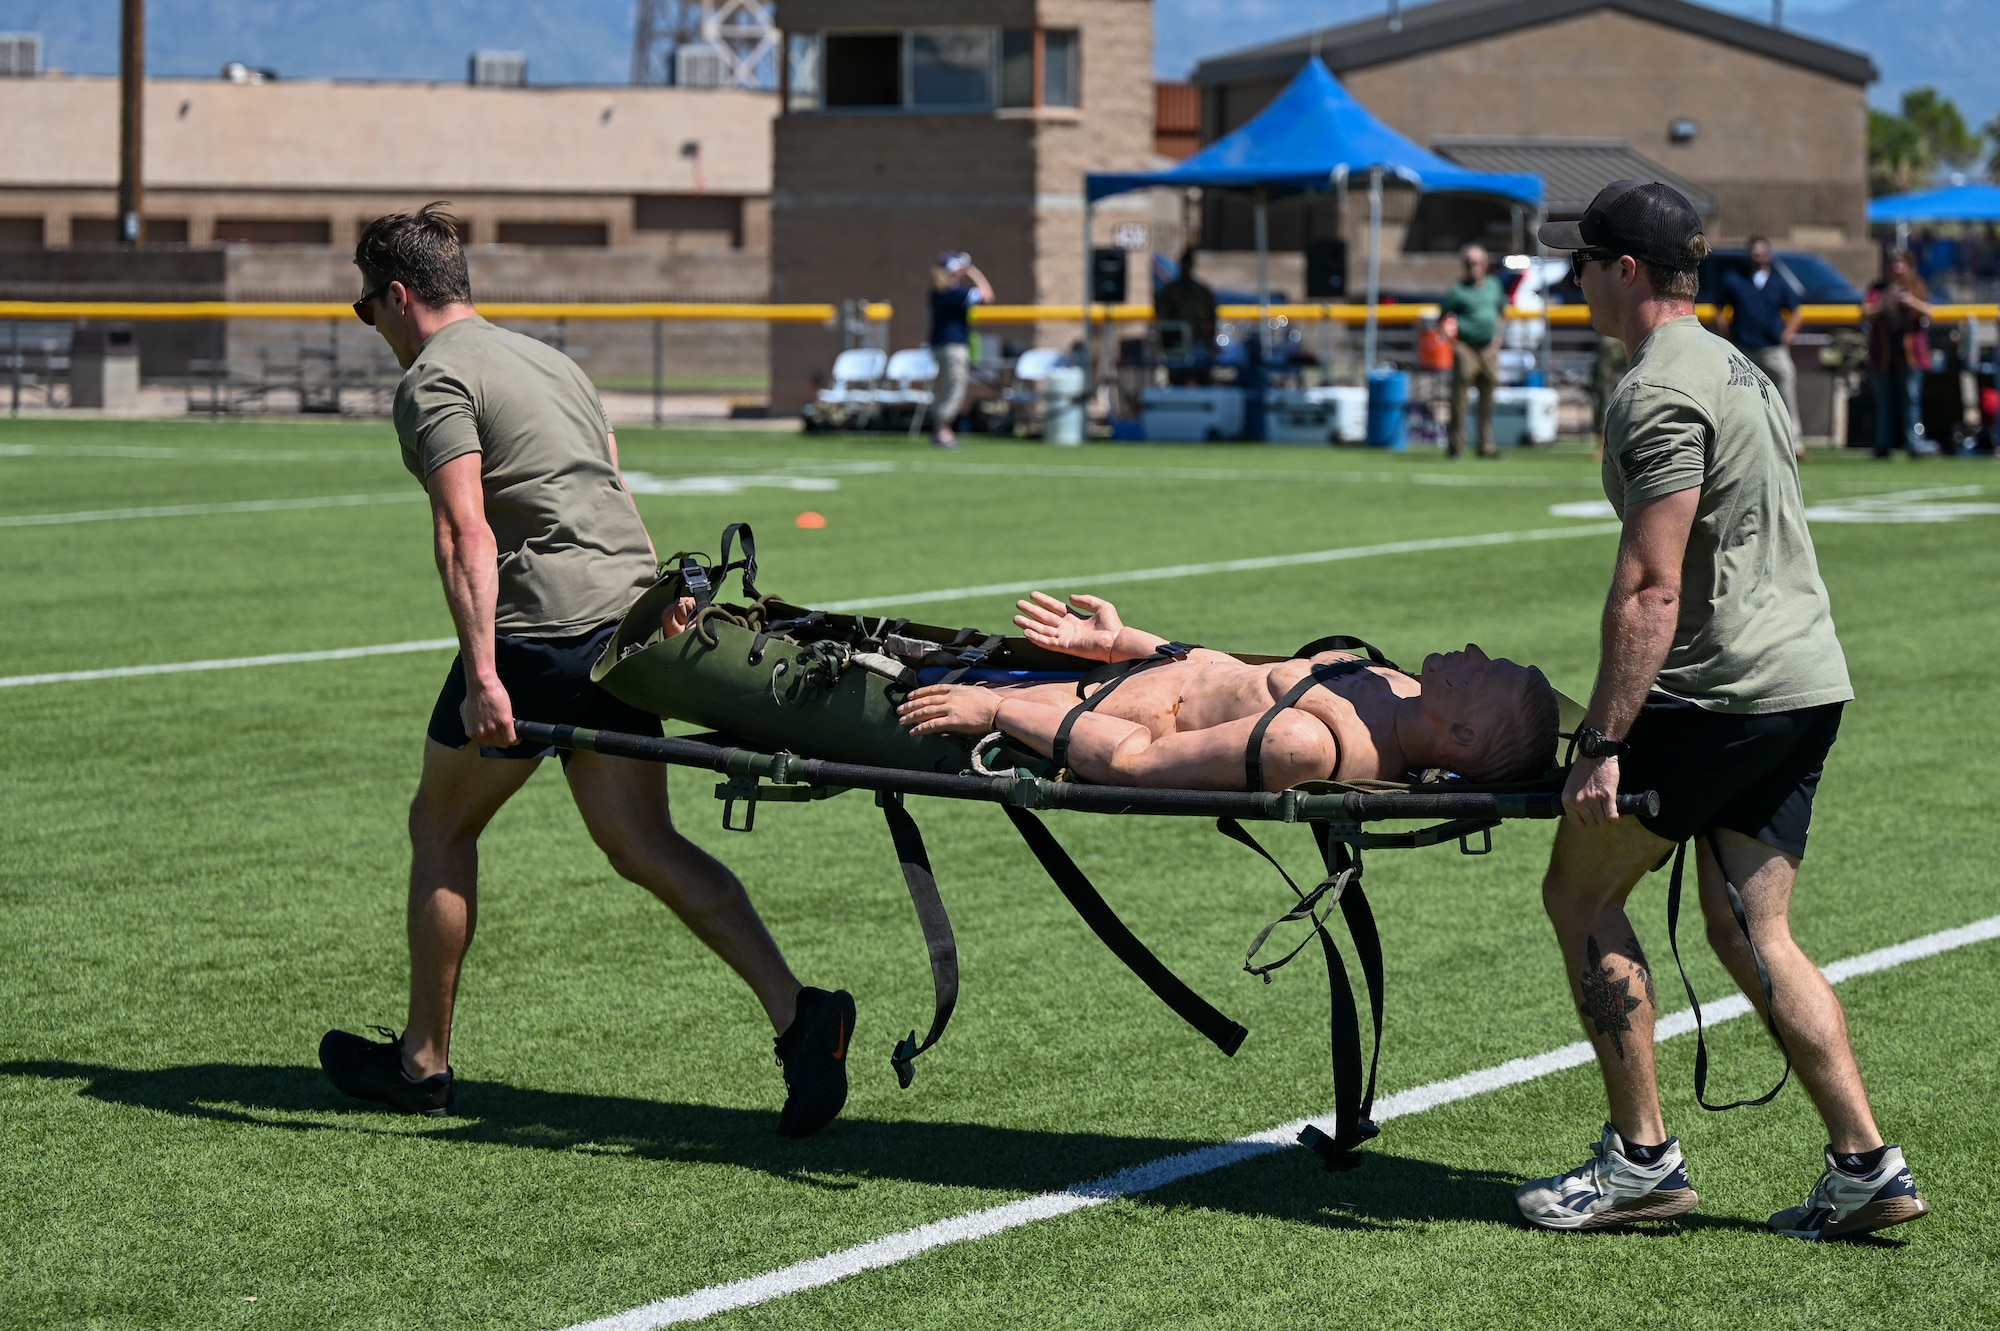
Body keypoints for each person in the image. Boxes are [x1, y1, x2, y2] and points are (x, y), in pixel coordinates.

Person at [319, 203, 853, 1139]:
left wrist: (487, 673)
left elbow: (464, 533)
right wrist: (659, 610)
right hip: (623, 625)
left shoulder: (436, 379)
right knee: (642, 844)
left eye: (370, 311)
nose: (376, 331)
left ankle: (422, 1063)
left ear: (398, 296)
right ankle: (798, 1014)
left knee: (439, 827)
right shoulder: (552, 361)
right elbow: (616, 491)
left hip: (539, 633)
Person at [1527, 181, 1926, 1239]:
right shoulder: (1737, 363)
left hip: (1717, 693)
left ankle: (1639, 1159)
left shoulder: (1656, 388)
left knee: (1579, 895)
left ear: (1620, 271)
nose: (1572, 282)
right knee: (1750, 926)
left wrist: (1602, 742)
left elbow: (1651, 586)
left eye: (1581, 264)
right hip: (1804, 682)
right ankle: (1863, 1164)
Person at [893, 591, 1559, 789]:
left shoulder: (1309, 745)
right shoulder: (1394, 684)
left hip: (1053, 715)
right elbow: (1224, 677)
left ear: (1463, 735)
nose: (1472, 652)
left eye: (1484, 672)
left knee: (872, 686)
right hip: (1100, 675)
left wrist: (998, 710)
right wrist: (1122, 643)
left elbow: (1130, 758)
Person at [1715, 237, 1806, 460]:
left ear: (1769, 255)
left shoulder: (1778, 281)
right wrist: (1728, 336)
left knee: (1786, 392)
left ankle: (1795, 445)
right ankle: (1739, 444)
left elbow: (1797, 312)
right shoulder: (1734, 280)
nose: (1758, 256)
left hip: (1773, 349)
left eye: (1762, 252)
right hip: (1744, 349)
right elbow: (1719, 310)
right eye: (1754, 252)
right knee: (1740, 397)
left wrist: (1788, 334)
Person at [1863, 248, 1939, 457]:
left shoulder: (1917, 286)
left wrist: (1910, 301)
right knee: (1884, 401)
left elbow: (1931, 312)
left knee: (1911, 399)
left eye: (1901, 264)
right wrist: (1885, 305)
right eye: (1893, 264)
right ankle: (1883, 444)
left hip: (1911, 354)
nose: (1897, 268)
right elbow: (1866, 313)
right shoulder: (1878, 289)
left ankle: (1914, 443)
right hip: (1884, 354)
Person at [1440, 244, 1508, 458]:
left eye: (1478, 262)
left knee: (1487, 400)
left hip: (1488, 349)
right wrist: (1454, 343)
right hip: (1466, 347)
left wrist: (1499, 337)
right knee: (1459, 400)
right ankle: (1456, 446)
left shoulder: (1494, 286)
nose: (1474, 267)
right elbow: (1442, 317)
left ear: (1485, 264)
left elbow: (1502, 312)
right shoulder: (1458, 290)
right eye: (1470, 263)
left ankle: (1485, 445)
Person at [928, 251, 993, 450]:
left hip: (940, 346)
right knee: (955, 389)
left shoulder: (938, 291)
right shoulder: (952, 292)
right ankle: (942, 430)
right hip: (953, 346)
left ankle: (942, 430)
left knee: (945, 388)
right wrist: (973, 272)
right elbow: (988, 296)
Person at [1155, 248, 1220, 384]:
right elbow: (1162, 316)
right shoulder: (1169, 291)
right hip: (1176, 345)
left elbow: (1212, 318)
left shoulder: (1201, 291)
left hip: (1198, 343)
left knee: (1203, 381)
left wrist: (1209, 340)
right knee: (1177, 381)